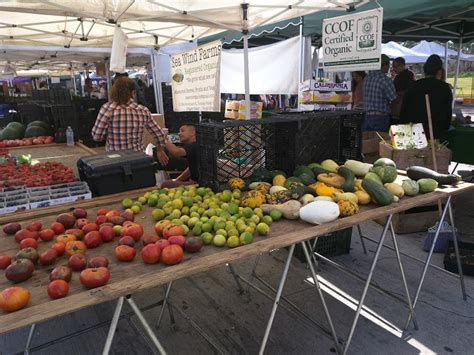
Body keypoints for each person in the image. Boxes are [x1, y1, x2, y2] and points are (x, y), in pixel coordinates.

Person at [91, 77, 168, 165]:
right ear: (133, 93)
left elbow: (97, 136)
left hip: (114, 161)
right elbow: (160, 134)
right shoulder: (143, 110)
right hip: (138, 160)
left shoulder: (107, 109)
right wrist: (160, 150)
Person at [400, 54, 453, 140]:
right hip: (436, 132)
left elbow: (403, 111)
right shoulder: (445, 88)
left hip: (414, 132)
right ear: (439, 71)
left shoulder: (413, 86)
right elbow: (448, 113)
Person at [363, 54, 397, 132]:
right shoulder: (385, 80)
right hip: (380, 118)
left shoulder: (366, 78)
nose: (389, 68)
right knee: (380, 142)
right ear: (384, 65)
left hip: (366, 117)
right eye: (388, 65)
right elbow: (394, 99)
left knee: (368, 142)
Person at [161, 124, 198, 188]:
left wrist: (163, 138)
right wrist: (177, 180)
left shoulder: (193, 145)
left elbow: (177, 152)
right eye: (179, 131)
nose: (179, 133)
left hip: (197, 183)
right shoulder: (194, 145)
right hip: (194, 181)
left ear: (193, 133)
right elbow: (190, 169)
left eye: (182, 131)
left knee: (165, 185)